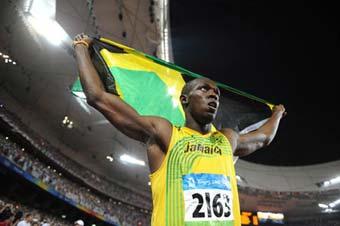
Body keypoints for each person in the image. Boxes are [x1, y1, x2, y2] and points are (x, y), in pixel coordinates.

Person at [73, 34, 286, 226]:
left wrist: (276, 113)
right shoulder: (165, 132)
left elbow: (264, 137)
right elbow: (98, 97)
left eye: (217, 94)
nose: (213, 95)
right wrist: (82, 47)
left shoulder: (227, 139)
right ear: (184, 99)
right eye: (204, 89)